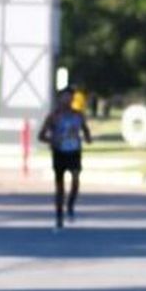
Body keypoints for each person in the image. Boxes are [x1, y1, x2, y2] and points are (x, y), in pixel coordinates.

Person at [38, 86, 91, 228]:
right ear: (60, 98)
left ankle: (70, 205)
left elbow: (85, 130)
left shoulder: (77, 115)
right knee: (59, 187)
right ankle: (59, 215)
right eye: (65, 97)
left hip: (74, 151)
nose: (67, 100)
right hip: (59, 152)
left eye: (70, 97)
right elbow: (41, 135)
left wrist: (87, 138)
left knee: (75, 180)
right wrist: (52, 140)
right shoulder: (54, 116)